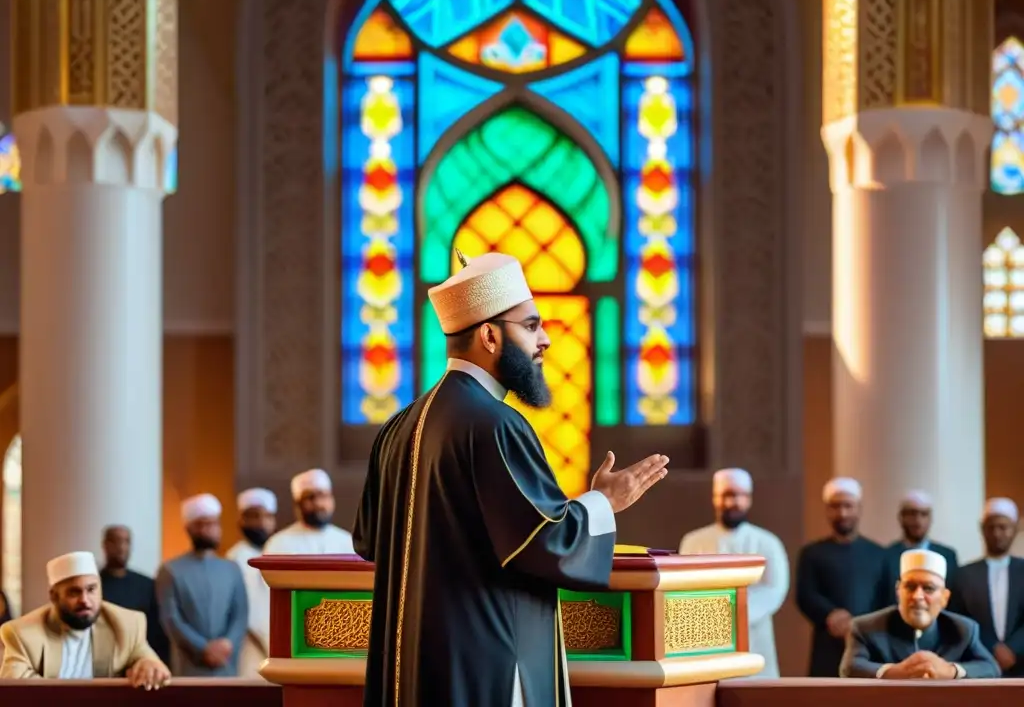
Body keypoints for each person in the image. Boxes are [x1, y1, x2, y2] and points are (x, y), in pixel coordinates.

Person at [354, 251, 669, 706]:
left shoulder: (398, 426)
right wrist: (604, 501)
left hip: (411, 666)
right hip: (485, 663)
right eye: (530, 325)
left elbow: (368, 541)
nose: (544, 340)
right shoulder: (493, 423)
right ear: (488, 335)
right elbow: (545, 540)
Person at [0, 551, 170, 688]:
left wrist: (149, 665)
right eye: (74, 592)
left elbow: (147, 660)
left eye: (91, 589)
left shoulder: (126, 624)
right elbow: (15, 687)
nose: (85, 600)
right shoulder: (23, 633)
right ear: (54, 596)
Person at [678, 468, 788, 678]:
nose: (731, 503)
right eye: (726, 495)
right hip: (705, 640)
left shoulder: (768, 543)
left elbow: (774, 589)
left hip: (754, 640)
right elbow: (684, 589)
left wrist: (735, 615)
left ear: (748, 499)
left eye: (738, 496)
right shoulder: (693, 541)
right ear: (715, 498)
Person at [840, 549, 999, 679]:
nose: (917, 596)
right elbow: (850, 667)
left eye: (928, 588)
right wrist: (895, 672)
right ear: (898, 592)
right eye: (910, 587)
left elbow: (990, 668)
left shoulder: (963, 629)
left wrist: (950, 671)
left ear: (944, 598)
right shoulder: (866, 627)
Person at [796, 477, 888, 676]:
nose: (842, 513)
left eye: (848, 506)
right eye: (836, 507)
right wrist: (830, 615)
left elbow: (887, 600)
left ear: (859, 508)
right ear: (827, 510)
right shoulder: (812, 553)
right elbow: (805, 595)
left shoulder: (880, 554)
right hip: (827, 645)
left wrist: (861, 625)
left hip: (869, 646)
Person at [156, 494, 248, 676]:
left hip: (227, 663)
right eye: (202, 524)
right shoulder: (170, 570)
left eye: (213, 524)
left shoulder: (232, 568)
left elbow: (241, 614)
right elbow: (171, 619)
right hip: (189, 665)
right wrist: (203, 648)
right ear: (189, 528)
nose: (209, 530)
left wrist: (227, 643)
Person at [949, 497, 1024, 677]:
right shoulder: (963, 575)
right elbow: (959, 619)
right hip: (979, 665)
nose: (997, 533)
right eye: (991, 527)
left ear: (1015, 529)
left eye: (1003, 527)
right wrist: (993, 647)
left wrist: (1013, 648)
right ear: (982, 530)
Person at [99, 525, 170, 664]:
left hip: (140, 661)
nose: (121, 547)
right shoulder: (93, 586)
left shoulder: (147, 585)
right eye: (115, 541)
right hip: (103, 662)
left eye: (126, 541)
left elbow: (157, 631)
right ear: (105, 545)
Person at [225, 487, 277, 677]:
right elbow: (248, 610)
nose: (262, 522)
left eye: (268, 516)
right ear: (241, 520)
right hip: (250, 646)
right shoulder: (234, 558)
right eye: (254, 516)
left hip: (281, 645)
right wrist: (269, 642)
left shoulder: (280, 551)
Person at [881, 490, 959, 604]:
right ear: (901, 517)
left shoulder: (947, 556)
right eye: (912, 514)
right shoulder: (886, 557)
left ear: (930, 518)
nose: (917, 521)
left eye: (923, 514)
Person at [263, 469, 354, 555]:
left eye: (323, 496)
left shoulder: (347, 542)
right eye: (310, 498)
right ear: (298, 504)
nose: (318, 503)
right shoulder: (279, 544)